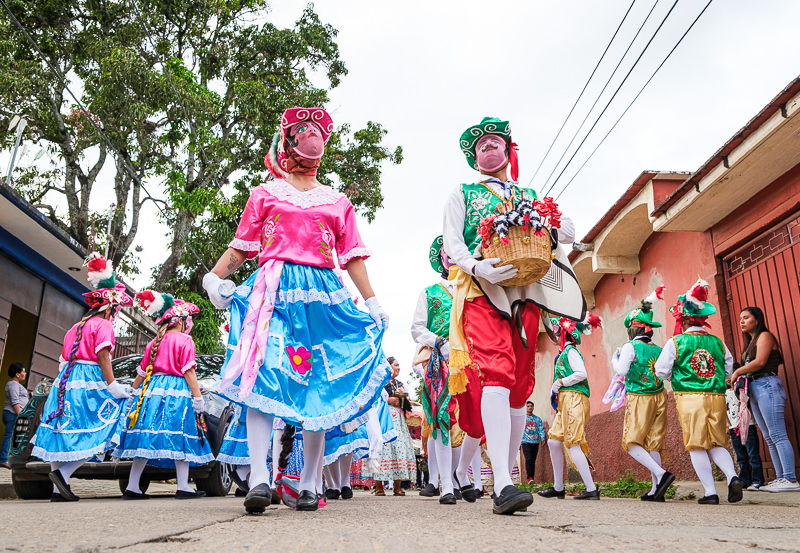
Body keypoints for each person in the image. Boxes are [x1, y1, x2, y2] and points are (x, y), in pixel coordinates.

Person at [202, 106, 391, 513]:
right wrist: (213, 277)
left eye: (319, 133)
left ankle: (309, 484)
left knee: (317, 384)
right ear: (287, 142)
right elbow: (241, 248)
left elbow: (353, 255)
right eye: (304, 132)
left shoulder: (337, 201)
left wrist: (372, 300)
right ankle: (258, 478)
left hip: (323, 299)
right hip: (271, 294)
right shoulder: (265, 193)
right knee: (262, 375)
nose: (313, 138)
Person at [443, 116, 584, 515]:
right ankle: (502, 483)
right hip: (483, 292)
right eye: (480, 146)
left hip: (527, 293)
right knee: (496, 372)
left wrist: (554, 225)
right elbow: (453, 242)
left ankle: (509, 476)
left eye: (494, 142)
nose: (488, 149)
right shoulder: (463, 192)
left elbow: (567, 231)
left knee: (521, 385)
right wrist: (475, 266)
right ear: (474, 158)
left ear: (508, 149)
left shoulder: (529, 193)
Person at [30, 253, 134, 501]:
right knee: (103, 430)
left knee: (62, 435)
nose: (116, 313)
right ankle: (64, 476)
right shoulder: (104, 325)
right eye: (116, 309)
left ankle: (58, 490)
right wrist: (113, 386)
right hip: (88, 381)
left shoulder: (76, 326)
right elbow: (103, 357)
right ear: (110, 306)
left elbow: (63, 360)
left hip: (64, 382)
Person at [115, 291, 214, 499]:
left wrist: (133, 392)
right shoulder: (185, 341)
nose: (190, 324)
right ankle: (183, 486)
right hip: (177, 392)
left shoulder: (154, 342)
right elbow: (188, 371)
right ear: (180, 321)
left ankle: (133, 486)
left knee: (146, 435)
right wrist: (198, 397)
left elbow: (141, 372)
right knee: (180, 435)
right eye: (189, 320)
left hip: (151, 390)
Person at [654, 278, 743, 505]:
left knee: (696, 444)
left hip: (689, 397)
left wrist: (677, 376)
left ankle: (711, 492)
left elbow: (662, 370)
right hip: (716, 396)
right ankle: (732, 476)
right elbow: (728, 369)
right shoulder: (718, 342)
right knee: (716, 442)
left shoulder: (676, 341)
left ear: (683, 320)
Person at [611, 286, 674, 502]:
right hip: (660, 395)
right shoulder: (659, 348)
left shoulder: (630, 346)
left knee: (631, 442)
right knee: (653, 442)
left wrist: (615, 358)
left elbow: (622, 371)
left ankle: (661, 474)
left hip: (640, 397)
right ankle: (656, 489)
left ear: (632, 329)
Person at [730, 306, 799, 492]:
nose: (741, 321)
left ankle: (790, 479)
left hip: (767, 385)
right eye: (740, 318)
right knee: (768, 437)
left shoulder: (765, 336)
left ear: (757, 319)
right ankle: (780, 477)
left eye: (746, 317)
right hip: (754, 388)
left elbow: (760, 362)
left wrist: (737, 372)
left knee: (778, 434)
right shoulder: (750, 341)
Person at [410, 236, 458, 504]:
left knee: (471, 421)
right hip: (439, 364)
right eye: (446, 252)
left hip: (471, 360)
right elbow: (417, 328)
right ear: (441, 258)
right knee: (441, 421)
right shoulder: (430, 293)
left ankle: (462, 476)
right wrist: (439, 342)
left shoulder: (473, 290)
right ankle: (446, 484)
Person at [538, 315, 602, 500]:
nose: (554, 335)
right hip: (565, 401)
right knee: (553, 441)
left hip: (574, 397)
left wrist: (560, 382)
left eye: (557, 332)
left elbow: (581, 373)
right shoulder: (563, 354)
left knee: (573, 442)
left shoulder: (571, 351)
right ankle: (558, 487)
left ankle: (591, 488)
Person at [364, 357, 417, 496]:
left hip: (398, 419)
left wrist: (405, 402)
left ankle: (397, 486)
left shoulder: (400, 385)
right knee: (381, 446)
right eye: (396, 365)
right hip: (382, 417)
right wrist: (388, 400)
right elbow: (372, 398)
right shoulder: (378, 383)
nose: (398, 368)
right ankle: (379, 486)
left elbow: (408, 403)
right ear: (388, 366)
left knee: (398, 447)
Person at [725, 384, 764, 491]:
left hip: (748, 426)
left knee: (753, 455)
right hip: (734, 428)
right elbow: (724, 410)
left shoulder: (742, 389)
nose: (728, 378)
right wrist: (728, 425)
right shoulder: (725, 393)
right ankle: (744, 480)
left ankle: (758, 481)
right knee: (741, 457)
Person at [1, 363, 29, 468]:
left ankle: (7, 458)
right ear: (17, 374)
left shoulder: (16, 384)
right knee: (9, 437)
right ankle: (3, 459)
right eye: (23, 371)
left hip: (13, 414)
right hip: (12, 414)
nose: (25, 373)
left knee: (12, 437)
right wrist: (20, 415)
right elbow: (15, 401)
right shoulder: (13, 384)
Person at [521, 401, 546, 484]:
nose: (530, 408)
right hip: (525, 442)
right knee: (528, 459)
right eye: (528, 406)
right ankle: (529, 477)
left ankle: (532, 478)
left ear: (533, 407)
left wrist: (543, 438)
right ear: (526, 408)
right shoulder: (522, 418)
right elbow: (518, 430)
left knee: (533, 460)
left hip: (535, 442)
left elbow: (541, 429)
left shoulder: (537, 419)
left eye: (531, 406)